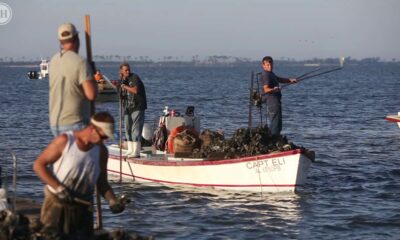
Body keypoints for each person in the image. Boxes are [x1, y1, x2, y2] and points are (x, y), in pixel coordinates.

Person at [33, 112, 125, 239]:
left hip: (83, 209)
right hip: (57, 204)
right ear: (92, 129)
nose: (105, 141)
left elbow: (102, 182)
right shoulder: (66, 141)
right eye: (103, 137)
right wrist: (59, 188)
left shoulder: (102, 151)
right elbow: (39, 165)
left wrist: (112, 200)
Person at [49, 23, 97, 137]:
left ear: (60, 42)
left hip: (55, 123)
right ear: (77, 39)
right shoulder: (80, 62)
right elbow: (91, 94)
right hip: (75, 122)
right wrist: (92, 75)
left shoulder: (54, 61)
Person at [261, 56, 297, 136]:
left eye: (271, 65)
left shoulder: (271, 73)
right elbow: (266, 89)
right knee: (275, 124)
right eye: (268, 65)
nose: (270, 67)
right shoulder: (266, 75)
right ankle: (273, 141)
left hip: (276, 101)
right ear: (263, 65)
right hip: (272, 102)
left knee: (278, 124)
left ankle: (274, 139)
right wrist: (274, 89)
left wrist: (290, 80)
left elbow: (279, 79)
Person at [119, 63, 147, 157]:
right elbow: (122, 94)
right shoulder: (123, 80)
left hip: (137, 106)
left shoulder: (134, 77)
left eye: (128, 69)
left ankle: (136, 151)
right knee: (127, 129)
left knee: (136, 129)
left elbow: (135, 90)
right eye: (125, 70)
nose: (128, 71)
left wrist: (125, 86)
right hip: (128, 107)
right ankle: (130, 150)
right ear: (121, 71)